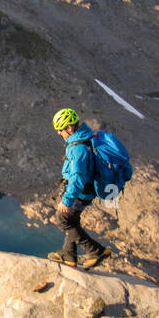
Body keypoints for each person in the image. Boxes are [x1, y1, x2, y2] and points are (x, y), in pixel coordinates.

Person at [48, 108, 112, 269]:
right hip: (87, 191)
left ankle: (96, 251)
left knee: (63, 220)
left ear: (69, 128)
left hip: (80, 193)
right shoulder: (85, 139)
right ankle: (68, 256)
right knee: (72, 221)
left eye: (60, 130)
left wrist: (67, 200)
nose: (58, 133)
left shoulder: (78, 147)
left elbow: (78, 177)